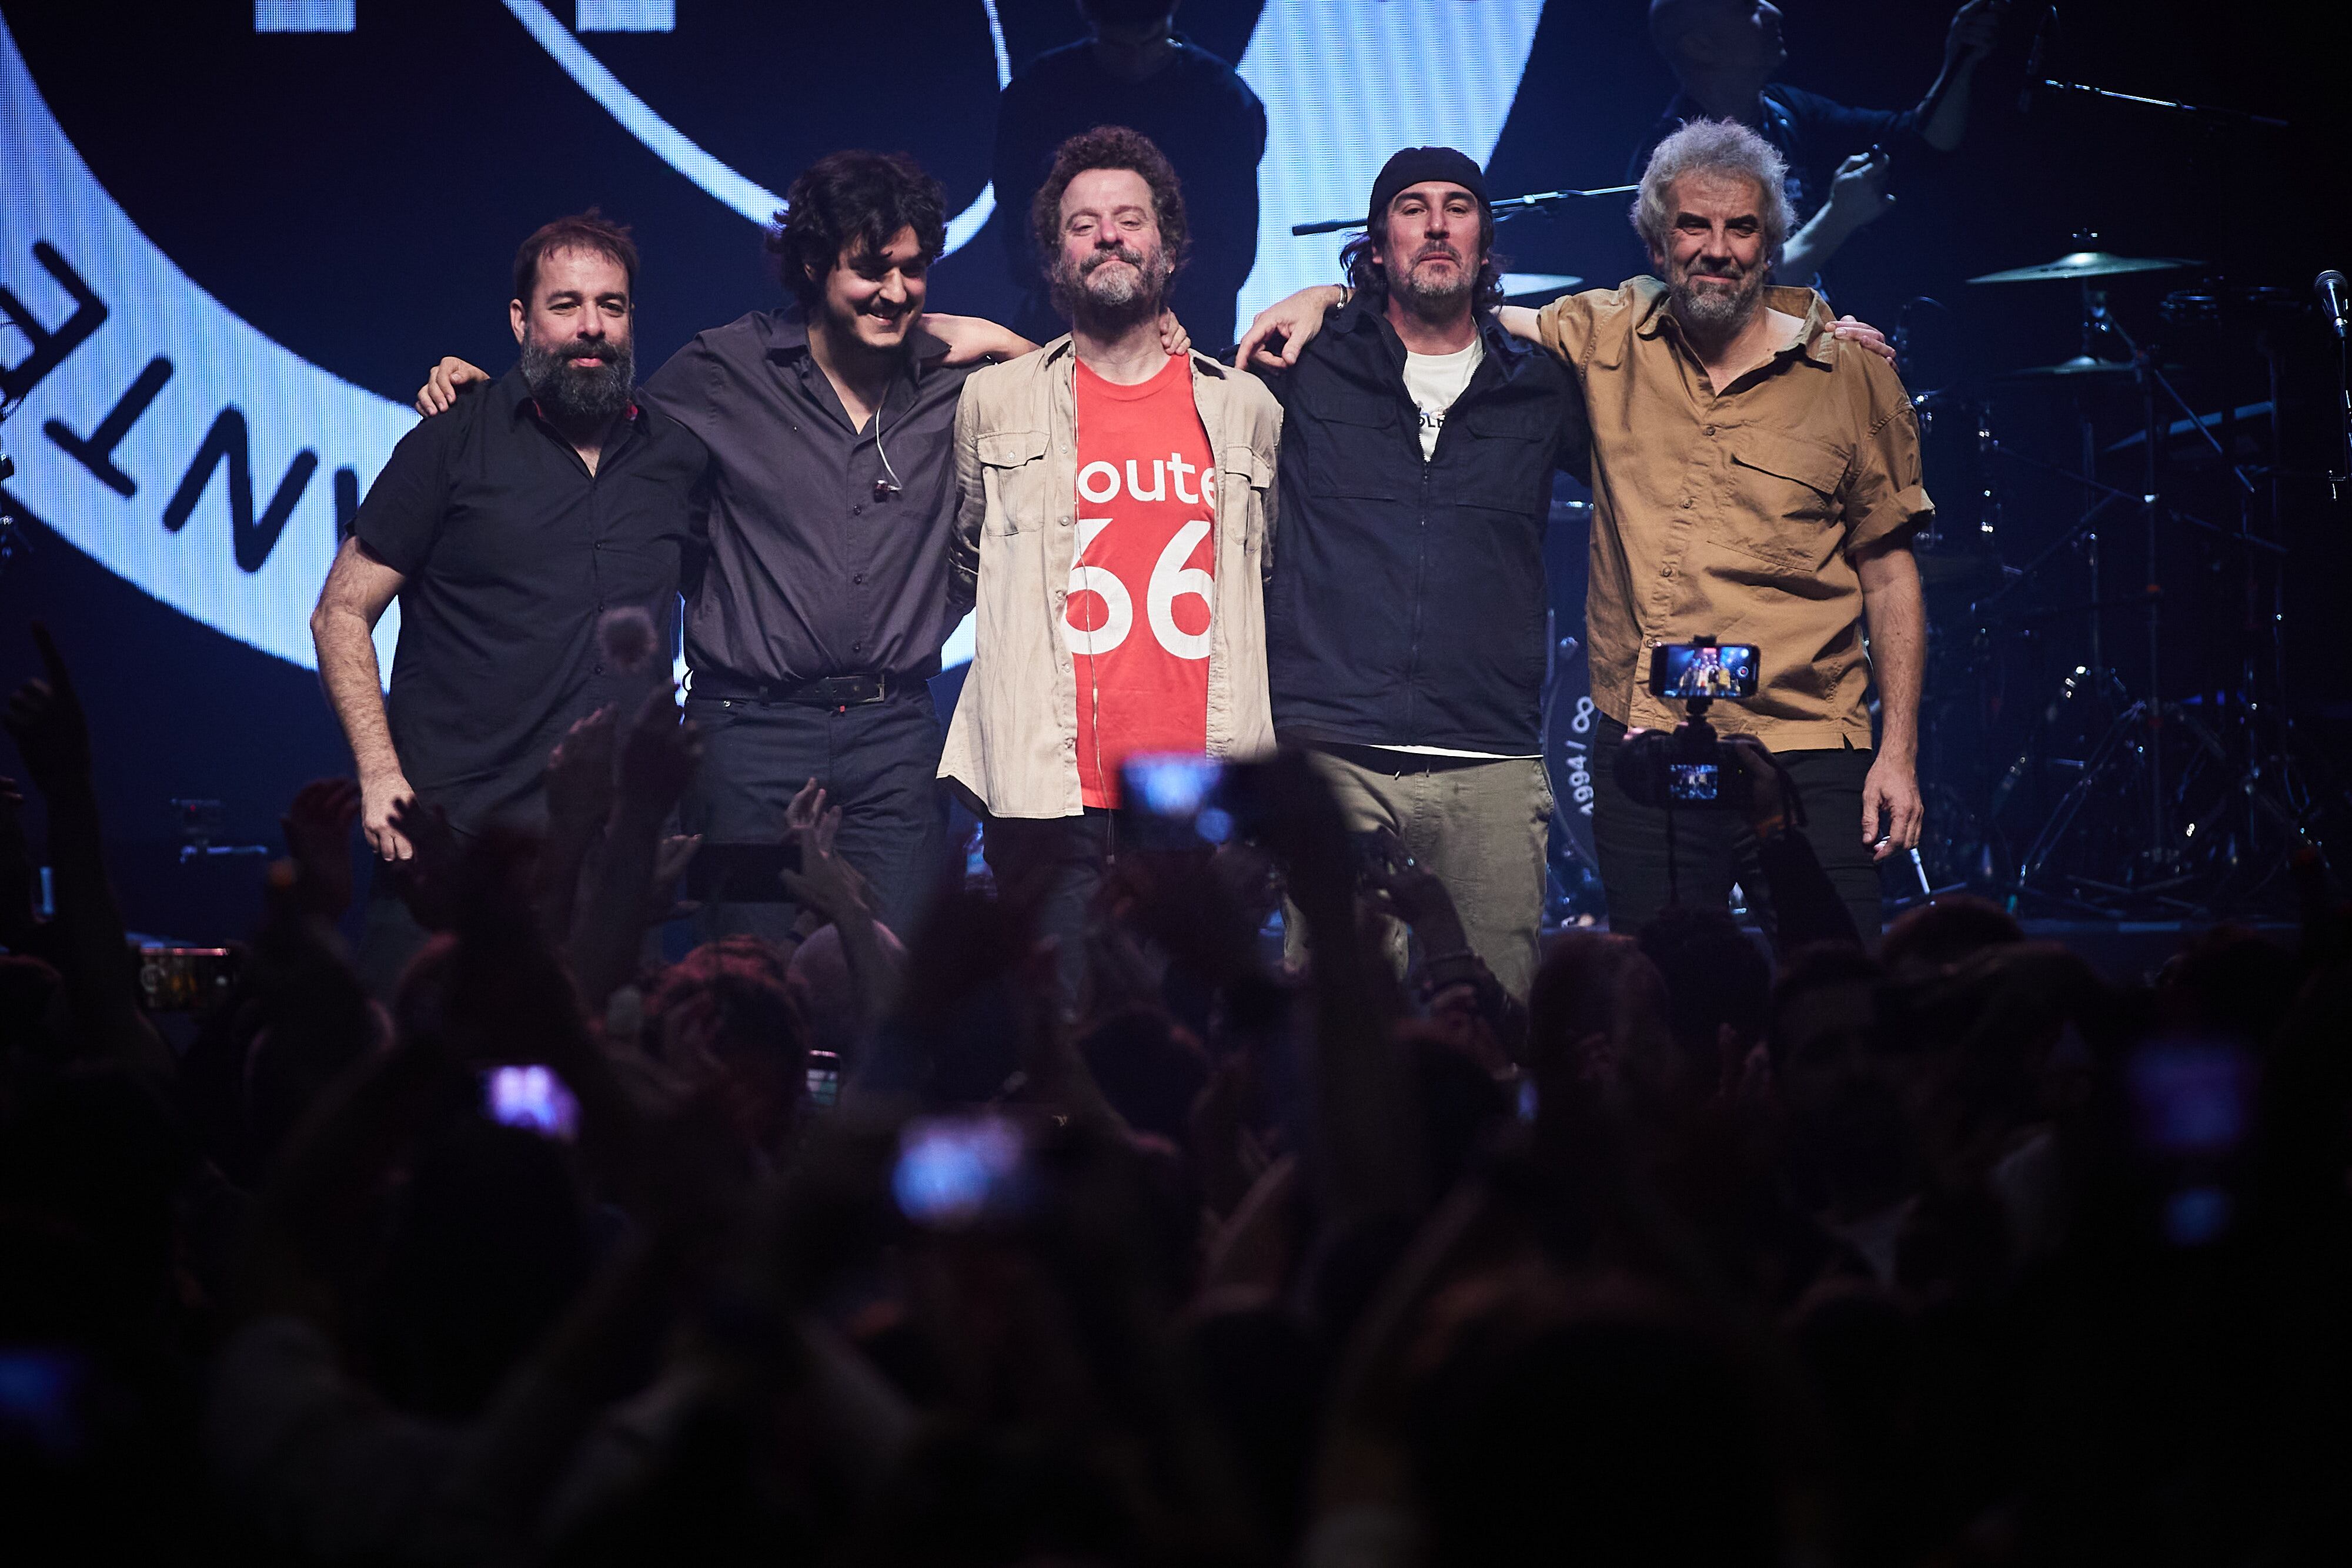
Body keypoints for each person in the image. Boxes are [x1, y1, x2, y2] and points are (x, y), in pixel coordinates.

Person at [1239, 120, 1927, 945]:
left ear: (1772, 243)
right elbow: (1447, 303)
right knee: (1664, 1014)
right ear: (1655, 242)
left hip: (1806, 740)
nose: (1716, 248)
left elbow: (1891, 574)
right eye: (1692, 226)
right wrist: (1329, 295)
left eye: (1741, 227)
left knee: (1838, 991)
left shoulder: (1847, 373)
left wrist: (1898, 753)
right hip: (1648, 746)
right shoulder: (1608, 337)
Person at [415, 155, 1037, 946]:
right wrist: (475, 388)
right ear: (813, 265)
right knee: (747, 987)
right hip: (749, 737)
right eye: (871, 269)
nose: (897, 291)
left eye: (915, 271)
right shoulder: (722, 370)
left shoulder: (960, 378)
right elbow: (590, 415)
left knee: (896, 988)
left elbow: (1086, 394)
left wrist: (996, 335)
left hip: (896, 738)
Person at [313, 213, 704, 988]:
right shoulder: (451, 441)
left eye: (612, 305)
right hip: (459, 850)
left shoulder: (678, 455)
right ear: (522, 319)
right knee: (423, 1094)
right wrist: (381, 774)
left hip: (613, 862)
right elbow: (341, 612)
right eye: (566, 305)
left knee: (603, 1096)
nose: (591, 326)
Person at [941, 125, 1281, 1014]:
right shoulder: (994, 400)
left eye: (1129, 219)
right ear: (1055, 256)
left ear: (1169, 247)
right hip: (1042, 792)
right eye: (1083, 224)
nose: (1108, 237)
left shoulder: (1245, 408)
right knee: (1055, 1045)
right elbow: (967, 554)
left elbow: (1270, 579)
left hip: (1195, 800)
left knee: (1196, 1043)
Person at [1235, 147, 1586, 1004]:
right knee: (1340, 1038)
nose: (1436, 224)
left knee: (1499, 1025)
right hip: (1334, 752)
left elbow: (1679, 398)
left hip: (1490, 756)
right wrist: (1323, 301)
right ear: (1378, 241)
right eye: (1412, 207)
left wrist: (1814, 331)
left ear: (1483, 239)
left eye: (1458, 206)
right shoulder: (1304, 362)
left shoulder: (1540, 385)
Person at [1633, 0, 2004, 281]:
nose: (1773, 11)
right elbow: (1732, 290)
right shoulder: (1674, 159)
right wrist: (1838, 219)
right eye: (1746, 8)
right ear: (1699, 46)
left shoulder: (1789, 110)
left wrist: (1962, 59)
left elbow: (1924, 140)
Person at [990, 1, 1267, 347]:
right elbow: (1020, 224)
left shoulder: (1222, 99)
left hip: (1188, 325)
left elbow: (1230, 243)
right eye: (1119, 46)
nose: (1135, 60)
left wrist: (1158, 312)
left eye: (1150, 42)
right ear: (1090, 20)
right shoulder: (1039, 92)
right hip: (1066, 320)